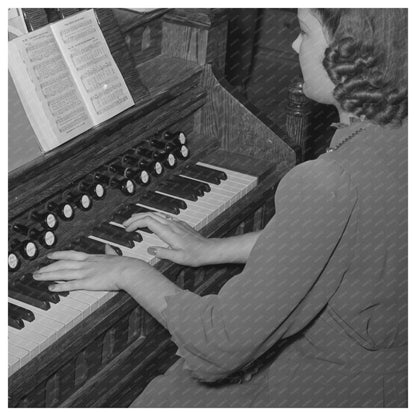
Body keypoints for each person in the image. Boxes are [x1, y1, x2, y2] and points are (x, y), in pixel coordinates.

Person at [34, 8, 408, 407]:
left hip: (335, 385)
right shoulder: (395, 131)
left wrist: (128, 269)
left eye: (303, 32)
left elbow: (219, 345)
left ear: (351, 52)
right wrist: (211, 249)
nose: (295, 45)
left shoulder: (329, 182)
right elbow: (340, 238)